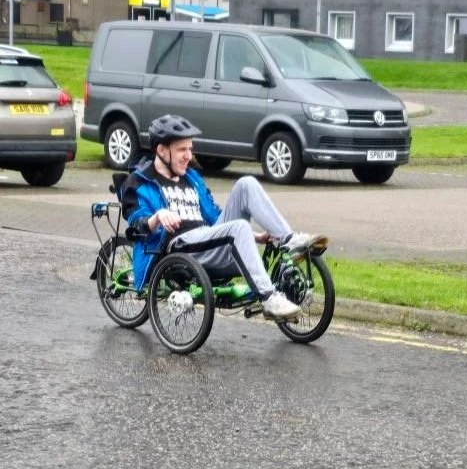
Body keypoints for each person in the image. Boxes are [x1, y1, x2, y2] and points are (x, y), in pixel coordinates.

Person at [121, 114, 326, 320]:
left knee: (246, 184)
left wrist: (255, 236)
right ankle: (269, 298)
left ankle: (288, 240)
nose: (189, 156)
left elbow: (215, 217)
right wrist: (158, 216)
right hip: (178, 246)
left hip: (207, 238)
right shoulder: (140, 182)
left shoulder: (191, 177)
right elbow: (136, 225)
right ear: (162, 150)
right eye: (182, 150)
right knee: (238, 227)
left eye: (190, 149)